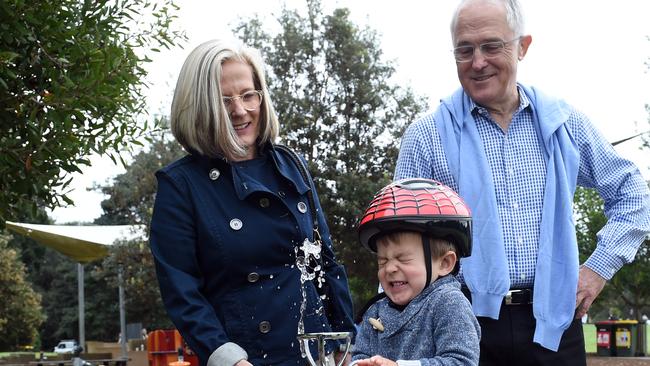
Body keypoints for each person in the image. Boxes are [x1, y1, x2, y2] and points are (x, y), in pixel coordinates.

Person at [393, 0, 650, 365]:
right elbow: (398, 240)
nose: (478, 61)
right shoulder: (426, 136)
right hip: (458, 325)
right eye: (465, 50)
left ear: (522, 46)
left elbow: (633, 193)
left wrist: (597, 269)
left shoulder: (565, 124)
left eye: (491, 45)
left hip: (556, 324)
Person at [149, 39, 355, 366]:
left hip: (318, 355)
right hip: (248, 358)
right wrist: (228, 359)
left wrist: (346, 338)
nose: (239, 111)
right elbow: (183, 293)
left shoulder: (292, 165)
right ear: (202, 106)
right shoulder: (180, 185)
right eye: (224, 100)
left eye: (248, 95)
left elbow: (325, 261)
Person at [351, 178, 480, 366]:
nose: (390, 268)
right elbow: (359, 355)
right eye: (383, 261)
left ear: (445, 263)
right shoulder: (376, 311)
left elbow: (462, 361)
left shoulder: (448, 304)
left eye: (403, 259)